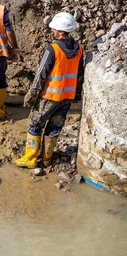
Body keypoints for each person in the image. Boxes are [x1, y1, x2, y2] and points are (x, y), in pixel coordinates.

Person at [15, 12, 83, 168]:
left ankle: (31, 159)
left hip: (49, 96)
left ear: (60, 31)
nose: (52, 31)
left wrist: (32, 93)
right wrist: (77, 94)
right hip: (67, 96)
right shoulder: (79, 49)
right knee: (54, 126)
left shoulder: (52, 50)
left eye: (54, 29)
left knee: (35, 124)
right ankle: (46, 159)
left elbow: (41, 74)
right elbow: (80, 74)